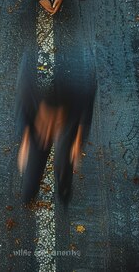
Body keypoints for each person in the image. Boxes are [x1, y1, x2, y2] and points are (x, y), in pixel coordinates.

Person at [16, 50, 96, 204]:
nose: (50, 133)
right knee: (32, 168)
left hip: (69, 114)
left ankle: (64, 193)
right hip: (41, 115)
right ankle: (28, 195)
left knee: (65, 162)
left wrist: (77, 143)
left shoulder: (82, 89)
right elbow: (22, 109)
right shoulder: (28, 85)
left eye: (55, 123)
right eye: (48, 122)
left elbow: (85, 114)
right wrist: (25, 141)